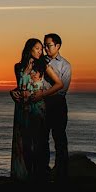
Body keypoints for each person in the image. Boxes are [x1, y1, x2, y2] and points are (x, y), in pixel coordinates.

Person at [10, 38, 62, 181]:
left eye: (42, 49)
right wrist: (12, 92)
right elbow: (21, 86)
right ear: (29, 49)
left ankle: (38, 176)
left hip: (37, 108)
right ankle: (26, 176)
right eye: (38, 48)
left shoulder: (43, 65)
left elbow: (59, 84)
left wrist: (42, 94)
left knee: (37, 143)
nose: (41, 51)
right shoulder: (18, 67)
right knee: (24, 144)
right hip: (21, 108)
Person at [40, 33, 72, 182]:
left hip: (58, 105)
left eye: (49, 45)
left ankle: (61, 174)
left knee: (59, 140)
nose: (46, 48)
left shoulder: (65, 65)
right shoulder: (40, 61)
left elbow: (62, 89)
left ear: (58, 46)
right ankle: (43, 172)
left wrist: (43, 94)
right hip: (42, 105)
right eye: (44, 45)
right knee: (42, 140)